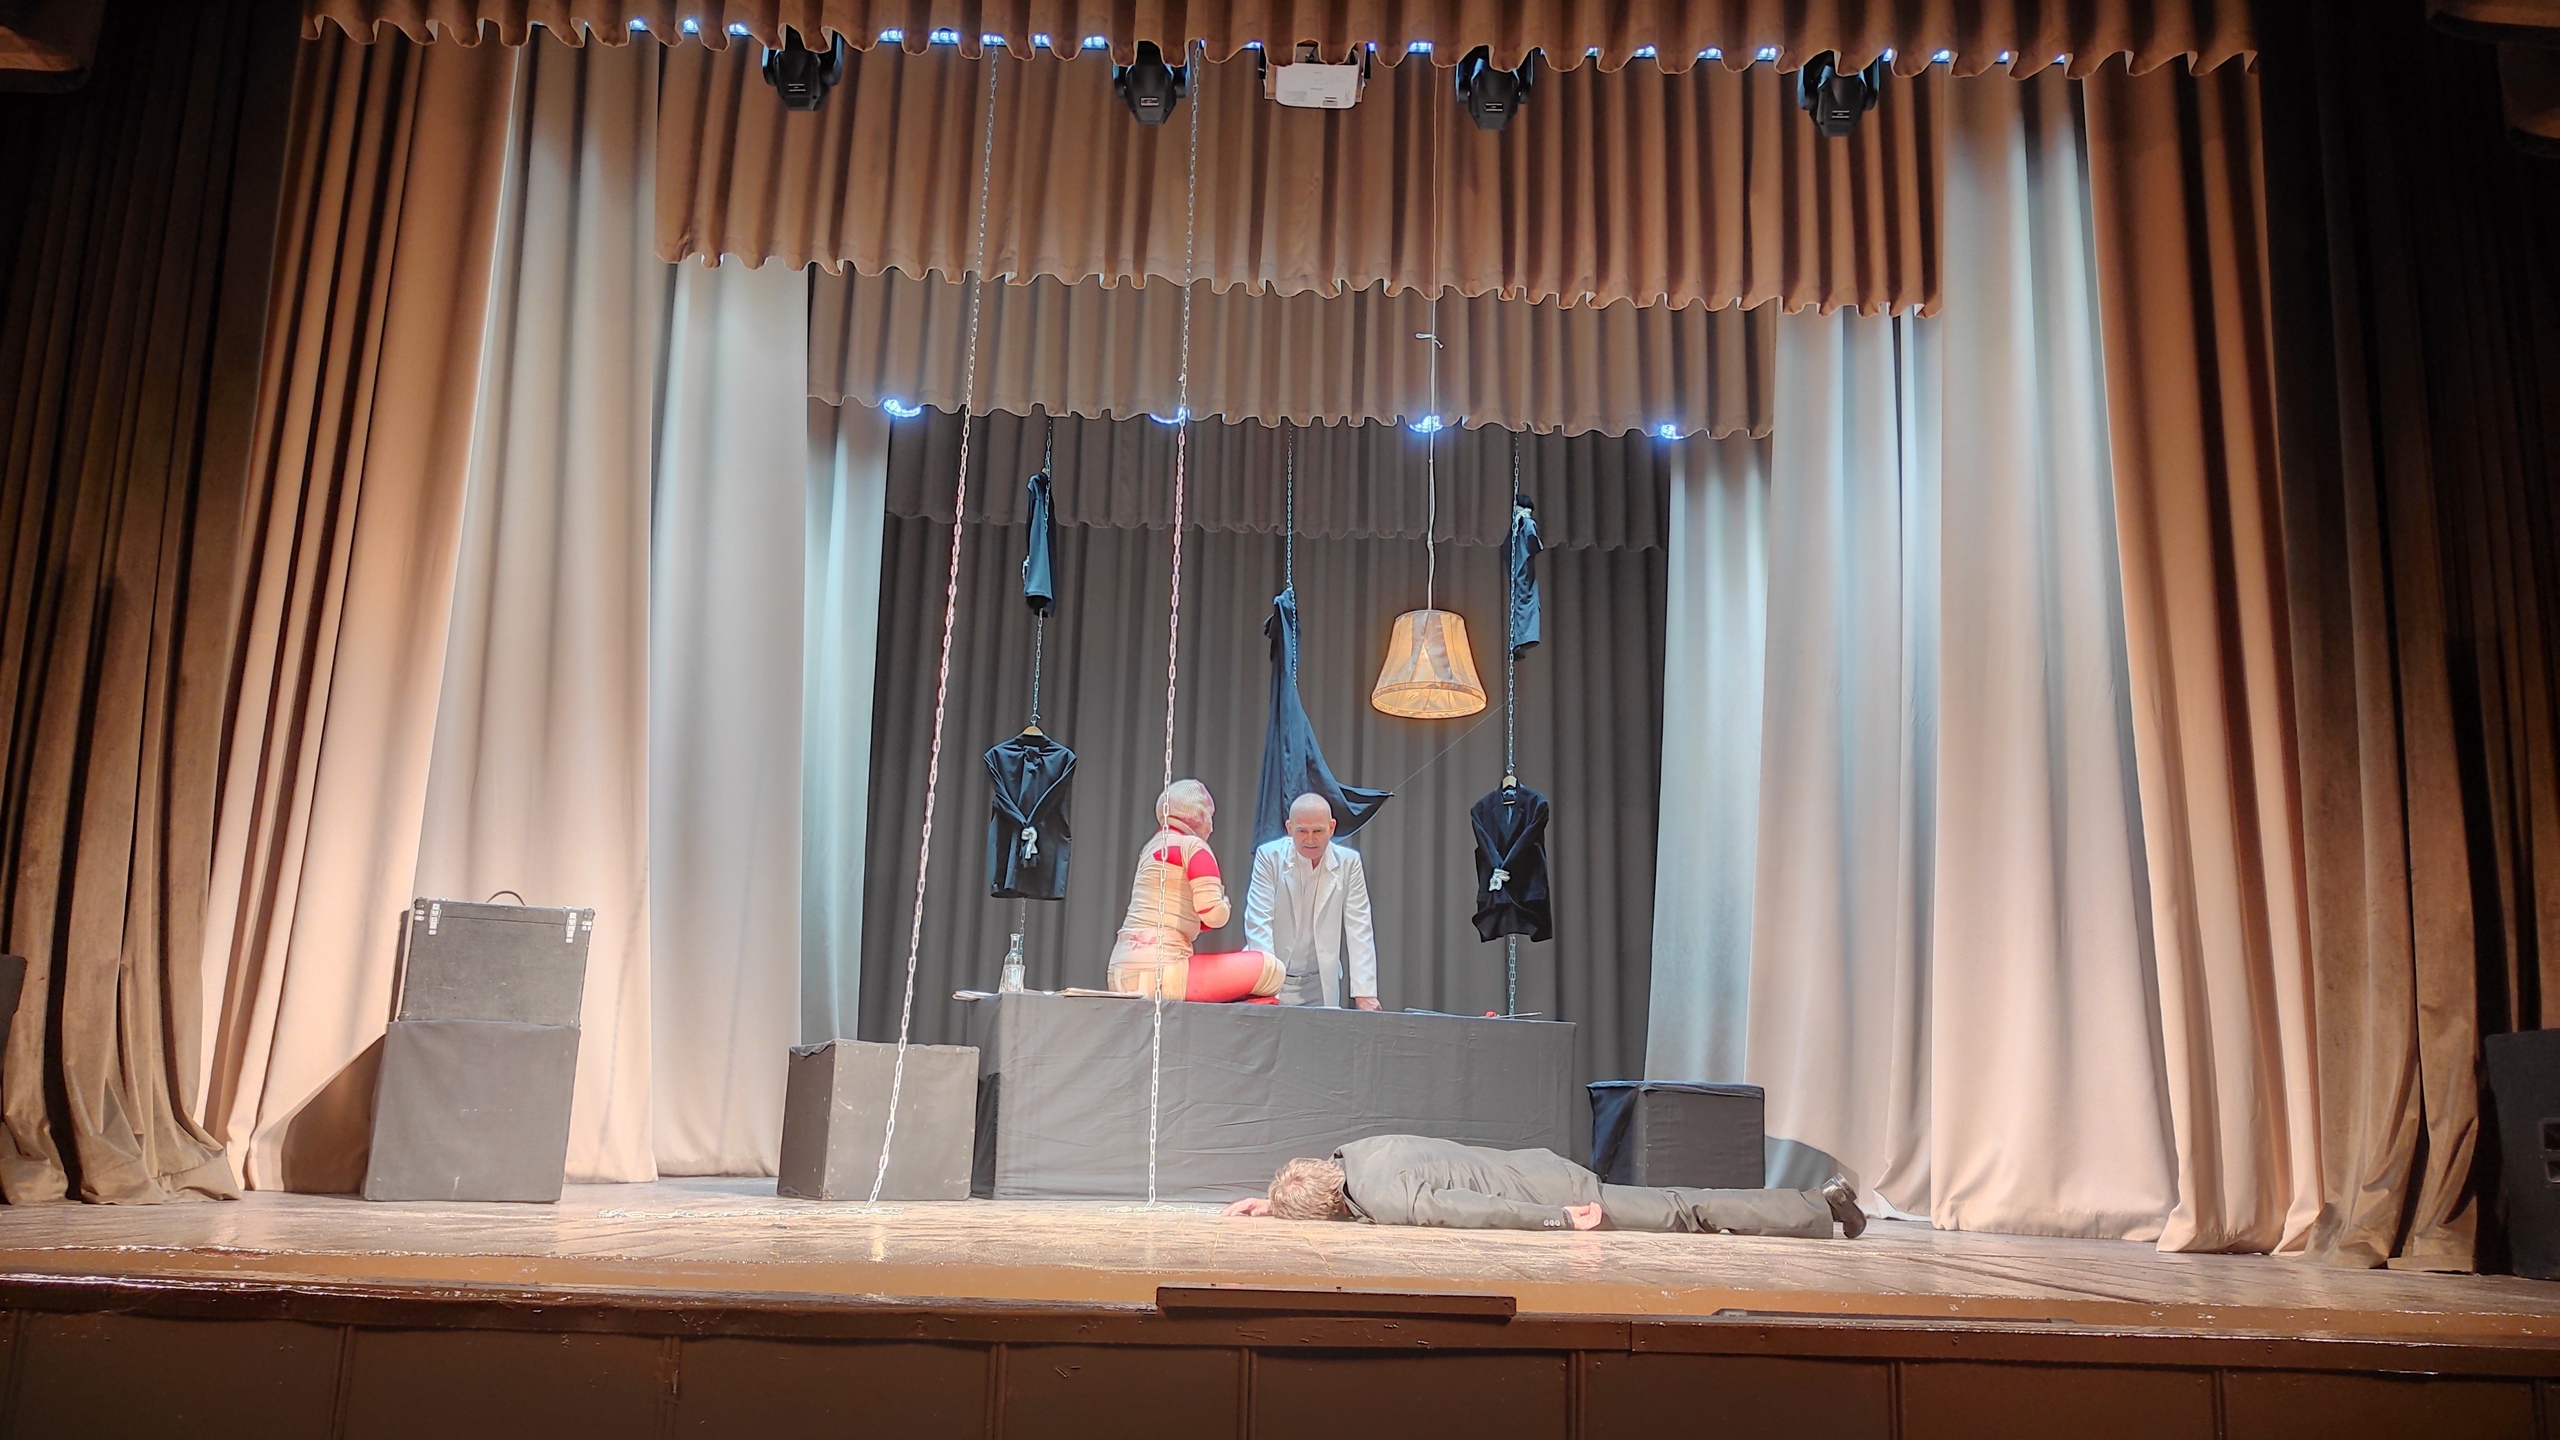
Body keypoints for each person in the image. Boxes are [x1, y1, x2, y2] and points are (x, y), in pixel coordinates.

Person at [1220, 1135, 1866, 1239]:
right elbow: (1324, 1188)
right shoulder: (1356, 1153)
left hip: (1548, 1191)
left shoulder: (1385, 1198)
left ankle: (1820, 1205)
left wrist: (1559, 1218)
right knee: (1679, 1208)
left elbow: (1473, 1211)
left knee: (1682, 1211)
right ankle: (1816, 1205)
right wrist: (1276, 1205)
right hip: (1535, 1165)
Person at [1106, 779, 1285, 1003]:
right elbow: (1213, 915)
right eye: (1210, 816)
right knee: (1270, 967)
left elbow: (1188, 919)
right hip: (1164, 973)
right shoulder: (1192, 846)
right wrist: (1224, 903)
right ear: (1198, 815)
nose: (1212, 826)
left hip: (1119, 971)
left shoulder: (1150, 848)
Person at [1242, 793, 1381, 1009]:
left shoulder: (1349, 862)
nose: (1310, 839)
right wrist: (1266, 985)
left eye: (1318, 831)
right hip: (1273, 976)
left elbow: (1359, 927)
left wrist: (1365, 994)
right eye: (1302, 831)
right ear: (1289, 828)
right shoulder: (1269, 857)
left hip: (1320, 982)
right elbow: (1259, 921)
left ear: (1332, 827)